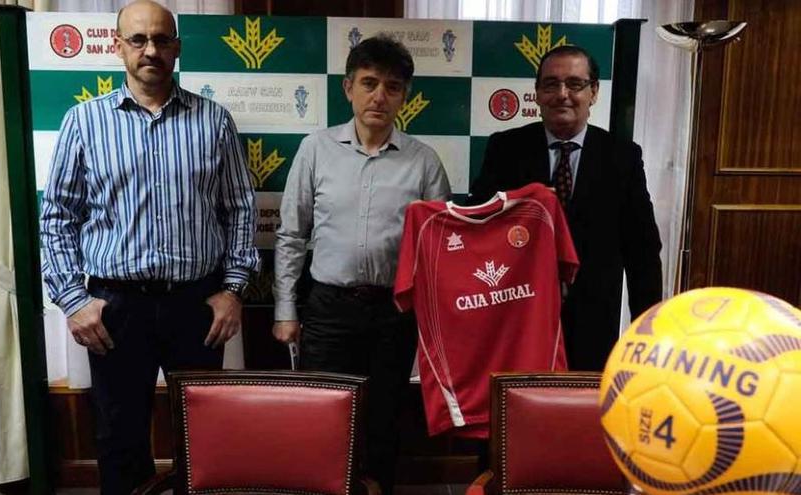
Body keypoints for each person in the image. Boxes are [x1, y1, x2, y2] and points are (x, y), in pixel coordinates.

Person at [40, 1, 258, 493]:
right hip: (116, 308)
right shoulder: (84, 122)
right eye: (138, 40)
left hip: (196, 305)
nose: (151, 50)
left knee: (203, 435)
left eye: (162, 39)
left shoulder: (214, 121)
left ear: (177, 47)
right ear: (118, 47)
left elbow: (240, 210)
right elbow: (57, 217)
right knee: (120, 438)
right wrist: (74, 302)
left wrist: (233, 290)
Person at [272, 35, 451, 494]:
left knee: (384, 420)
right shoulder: (316, 150)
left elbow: (441, 250)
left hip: (394, 313)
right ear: (348, 87)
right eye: (369, 83)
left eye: (392, 87)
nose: (379, 96)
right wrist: (286, 311)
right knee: (324, 415)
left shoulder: (424, 161)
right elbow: (291, 235)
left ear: (404, 96)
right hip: (329, 308)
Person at [469, 45, 662, 371]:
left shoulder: (622, 156)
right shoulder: (505, 148)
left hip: (594, 318)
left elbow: (642, 250)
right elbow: (479, 226)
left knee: (581, 414)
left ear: (594, 91)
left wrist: (648, 332)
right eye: (550, 84)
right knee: (518, 408)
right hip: (518, 314)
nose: (562, 94)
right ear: (537, 93)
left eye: (574, 84)